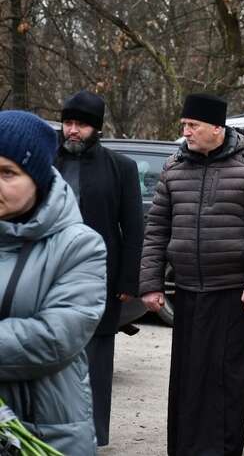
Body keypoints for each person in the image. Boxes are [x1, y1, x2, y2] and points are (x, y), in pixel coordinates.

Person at [139, 93, 244, 455]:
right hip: (187, 292)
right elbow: (156, 228)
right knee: (187, 381)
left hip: (232, 294)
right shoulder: (175, 167)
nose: (185, 132)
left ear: (217, 128)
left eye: (193, 126)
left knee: (224, 382)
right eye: (184, 125)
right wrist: (151, 283)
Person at [0, 111, 106, 455]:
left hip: (43, 430)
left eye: (7, 173)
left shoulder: (79, 245)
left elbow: (56, 337)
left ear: (39, 178)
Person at [53, 90, 144, 447]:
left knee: (96, 363)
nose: (72, 131)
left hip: (99, 279)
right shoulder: (47, 163)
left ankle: (93, 436)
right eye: (68, 123)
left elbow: (134, 228)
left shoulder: (121, 167)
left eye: (81, 125)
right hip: (52, 276)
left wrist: (128, 279)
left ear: (96, 129)